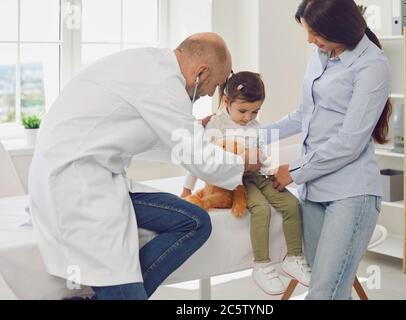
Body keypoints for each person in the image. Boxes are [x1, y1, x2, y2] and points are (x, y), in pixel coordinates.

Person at [28, 32, 261, 300]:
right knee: (127, 290)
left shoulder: (151, 68)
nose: (210, 93)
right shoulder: (163, 84)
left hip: (100, 176)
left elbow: (152, 139)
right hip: (76, 188)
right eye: (214, 85)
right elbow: (198, 158)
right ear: (201, 72)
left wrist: (196, 131)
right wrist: (243, 163)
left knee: (195, 221)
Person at [266, 0, 392, 299]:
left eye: (315, 33)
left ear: (340, 28)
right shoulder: (322, 54)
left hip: (350, 193)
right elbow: (305, 113)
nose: (310, 39)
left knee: (325, 291)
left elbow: (350, 141)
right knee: (332, 289)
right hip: (315, 192)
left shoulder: (372, 65)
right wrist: (255, 135)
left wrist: (295, 172)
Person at [182, 71, 311, 295]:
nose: (248, 117)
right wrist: (186, 189)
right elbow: (197, 160)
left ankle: (294, 257)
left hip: (258, 175)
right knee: (261, 209)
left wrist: (270, 169)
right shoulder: (214, 125)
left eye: (255, 111)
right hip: (236, 179)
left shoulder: (254, 126)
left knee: (291, 205)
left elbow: (262, 156)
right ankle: (261, 263)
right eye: (243, 111)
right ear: (226, 101)